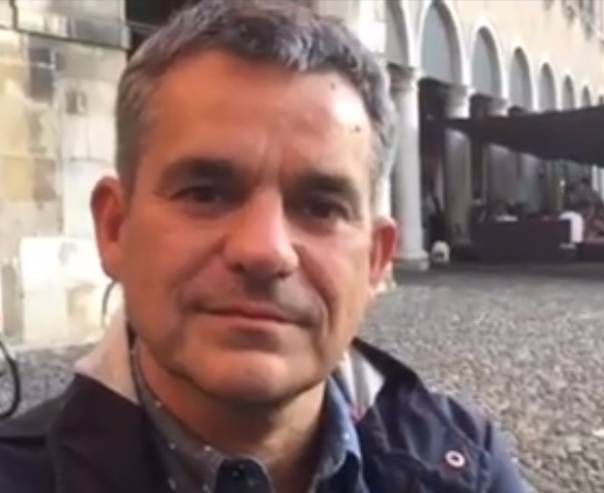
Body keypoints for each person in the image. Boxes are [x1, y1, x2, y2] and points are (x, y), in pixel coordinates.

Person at [0, 2, 528, 492]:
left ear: (375, 260)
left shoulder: (469, 468)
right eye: (204, 194)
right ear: (116, 229)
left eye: (320, 207)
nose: (264, 250)